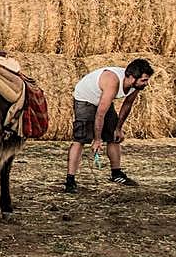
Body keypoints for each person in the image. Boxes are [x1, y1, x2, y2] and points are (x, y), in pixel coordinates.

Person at [63, 59, 154, 193]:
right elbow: (100, 114)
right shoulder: (113, 81)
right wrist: (97, 139)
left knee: (114, 137)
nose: (146, 83)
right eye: (144, 80)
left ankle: (116, 174)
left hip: (103, 100)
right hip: (85, 99)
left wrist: (118, 128)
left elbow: (127, 105)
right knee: (80, 139)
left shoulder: (135, 86)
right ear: (132, 77)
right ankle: (70, 181)